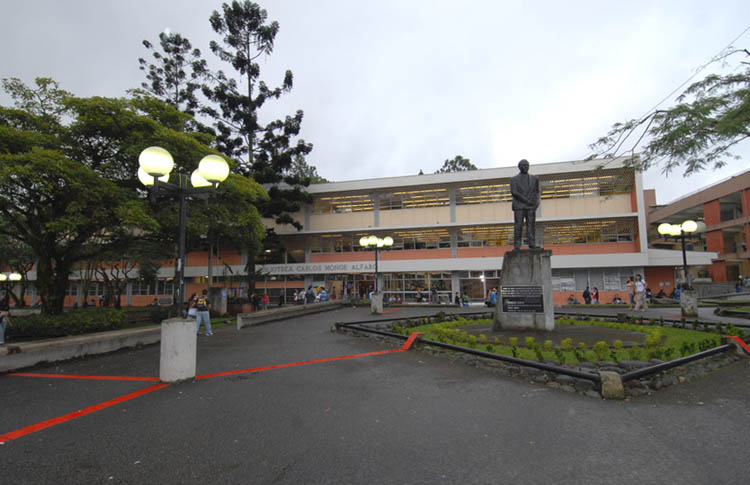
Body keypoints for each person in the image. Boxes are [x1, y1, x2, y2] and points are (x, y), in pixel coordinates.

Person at [510, 159, 541, 250]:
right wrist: (526, 200)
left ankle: (532, 243)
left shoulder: (535, 178)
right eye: (524, 165)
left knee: (531, 225)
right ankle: (517, 244)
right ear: (519, 167)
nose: (526, 167)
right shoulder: (513, 179)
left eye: (527, 165)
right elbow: (514, 192)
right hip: (519, 206)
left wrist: (536, 202)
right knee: (518, 225)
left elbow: (537, 192)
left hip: (531, 206)